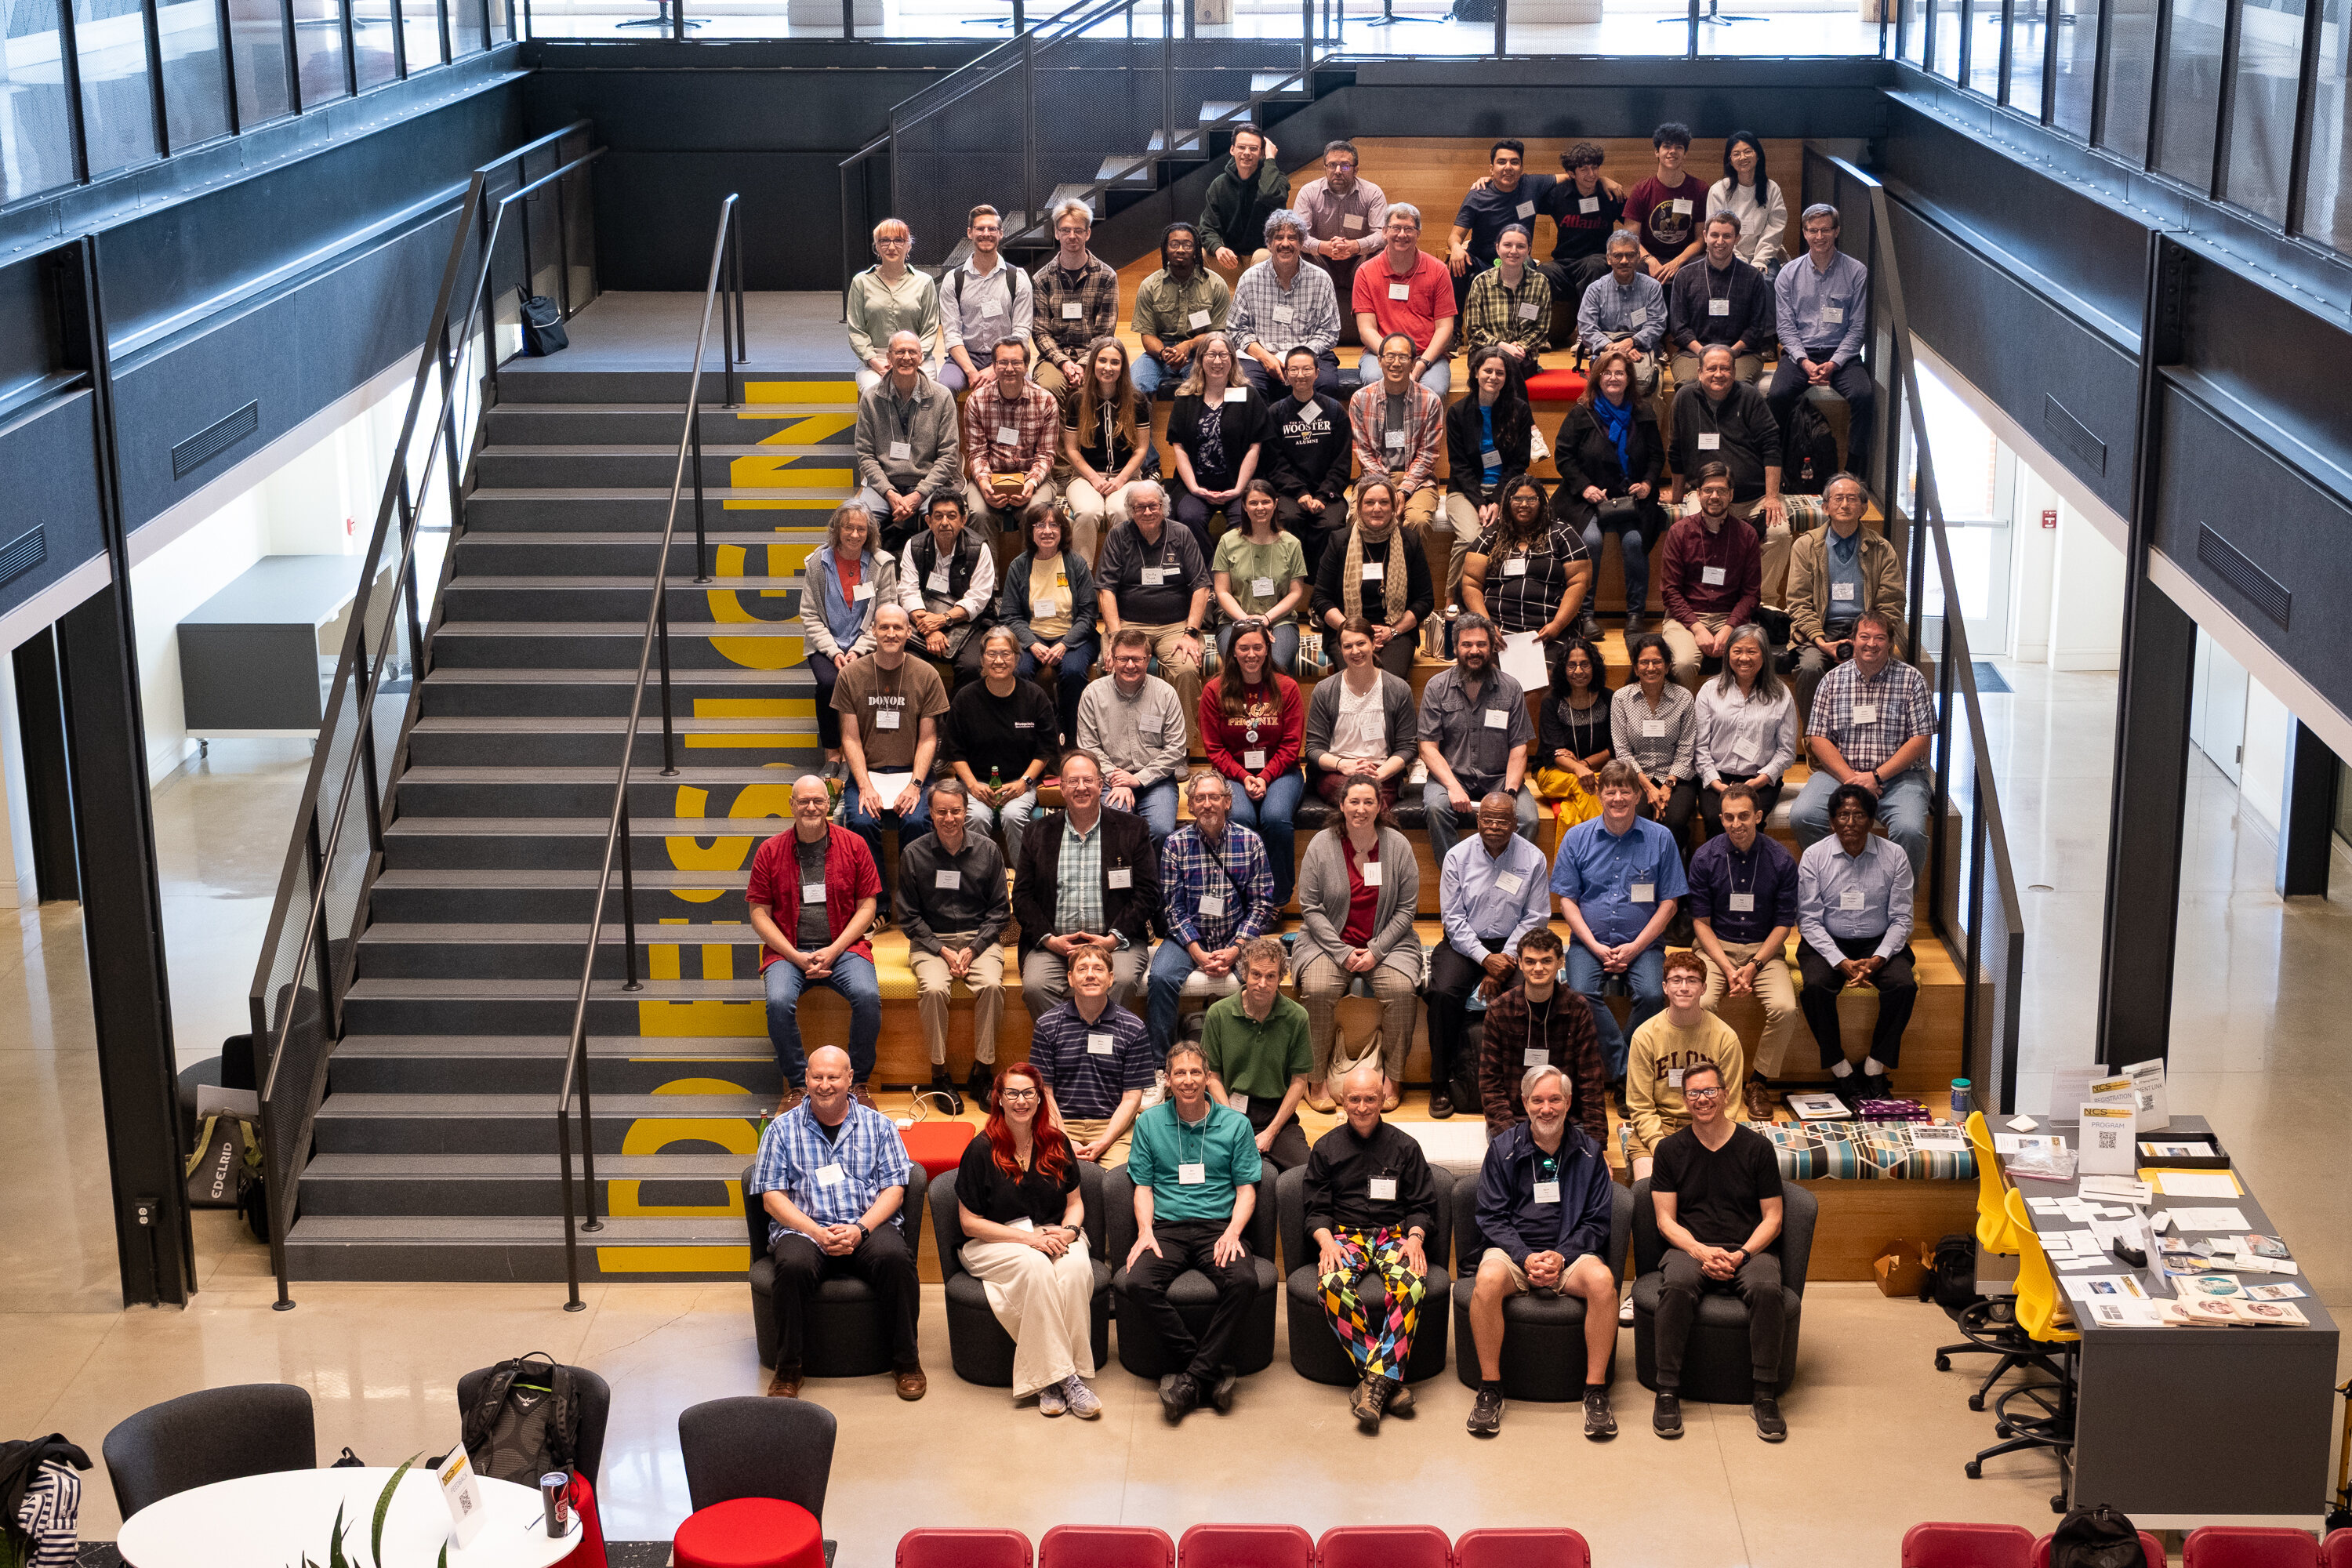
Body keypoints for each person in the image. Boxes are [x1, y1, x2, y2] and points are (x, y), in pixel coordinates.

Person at [747, 1044, 922, 1400]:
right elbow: (771, 1197)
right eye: (816, 1077)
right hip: (805, 1227)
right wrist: (815, 1232)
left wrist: (860, 1229)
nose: (824, 1085)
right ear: (806, 1079)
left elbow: (895, 1190)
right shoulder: (780, 1130)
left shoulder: (879, 1127)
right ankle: (788, 1369)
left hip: (866, 1224)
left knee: (896, 1260)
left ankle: (906, 1362)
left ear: (849, 1079)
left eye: (833, 1077)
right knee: (793, 1266)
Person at [1465, 1062, 1620, 1439]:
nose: (1546, 1108)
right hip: (1514, 1252)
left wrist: (1561, 1255)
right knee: (1485, 1281)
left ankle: (1595, 1392)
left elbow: (1597, 1221)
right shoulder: (1502, 1149)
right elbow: (1491, 1216)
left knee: (1603, 1282)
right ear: (1524, 1103)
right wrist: (1525, 1256)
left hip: (1569, 1254)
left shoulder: (1589, 1154)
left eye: (1554, 1099)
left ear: (1568, 1102)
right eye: (1537, 1100)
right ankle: (1490, 1388)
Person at [1121, 1040, 1265, 1422]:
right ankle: (1206, 1371)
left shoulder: (1236, 1124)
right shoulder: (1149, 1122)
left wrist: (1234, 1232)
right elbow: (1144, 1187)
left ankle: (1190, 1379)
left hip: (1218, 1228)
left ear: (1208, 1077)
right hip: (1166, 1228)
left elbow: (1246, 1189)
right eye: (1179, 1073)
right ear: (1167, 1080)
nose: (1188, 1080)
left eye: (1196, 1072)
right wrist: (1145, 1232)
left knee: (1244, 1281)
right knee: (1136, 1283)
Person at [1648, 1057, 1788, 1443]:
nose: (1703, 1099)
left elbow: (1773, 1218)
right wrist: (1700, 1251)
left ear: (1726, 1095)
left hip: (1748, 1248)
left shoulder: (1757, 1149)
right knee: (1675, 1285)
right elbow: (1665, 1221)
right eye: (1694, 1093)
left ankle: (1764, 1393)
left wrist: (1741, 1255)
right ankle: (1667, 1390)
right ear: (1684, 1099)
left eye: (1710, 1091)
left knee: (1766, 1288)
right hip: (1689, 1247)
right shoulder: (1670, 1150)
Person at [953, 1062, 1102, 1417]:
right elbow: (969, 1223)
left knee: (1077, 1267)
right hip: (994, 1243)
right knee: (1036, 1267)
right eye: (1012, 1093)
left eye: (1029, 1093)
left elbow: (1075, 1204)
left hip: (1053, 1234)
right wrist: (1028, 1240)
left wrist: (1070, 1232)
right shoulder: (980, 1148)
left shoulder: (1057, 1141)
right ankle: (1067, 1380)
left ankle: (1059, 1377)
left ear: (1040, 1099)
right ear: (999, 1099)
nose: (1021, 1101)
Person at [1303, 1062, 1441, 1429]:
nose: (1362, 1107)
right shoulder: (1326, 1147)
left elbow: (1423, 1204)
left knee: (1412, 1284)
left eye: (1370, 1099)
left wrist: (1415, 1237)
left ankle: (1370, 1385)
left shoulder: (1405, 1146)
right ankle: (1385, 1380)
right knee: (1330, 1284)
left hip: (1394, 1235)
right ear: (1342, 1101)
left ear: (1383, 1100)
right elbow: (1314, 1207)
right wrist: (1325, 1241)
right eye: (1354, 1100)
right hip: (1343, 1235)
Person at [746, 779, 883, 1112]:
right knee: (778, 1002)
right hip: (788, 950)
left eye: (818, 802)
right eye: (804, 801)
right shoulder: (769, 851)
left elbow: (868, 906)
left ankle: (858, 1081)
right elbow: (759, 914)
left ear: (829, 805)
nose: (811, 808)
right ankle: (797, 1085)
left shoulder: (855, 845)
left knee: (867, 997)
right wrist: (795, 956)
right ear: (791, 804)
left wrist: (834, 950)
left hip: (844, 949)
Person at [1552, 758, 1688, 1085]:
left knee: (1655, 996)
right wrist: (1596, 946)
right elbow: (1566, 900)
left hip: (1645, 946)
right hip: (1588, 943)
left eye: (1625, 792)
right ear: (1600, 794)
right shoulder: (1576, 838)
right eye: (1610, 791)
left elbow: (1670, 903)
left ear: (1638, 796)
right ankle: (1627, 1071)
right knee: (1581, 993)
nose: (1618, 799)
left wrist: (1635, 947)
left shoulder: (1661, 838)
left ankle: (1622, 1067)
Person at [1294, 776, 1422, 1109]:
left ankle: (1392, 1080)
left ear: (1380, 806)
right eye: (1354, 802)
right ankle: (1317, 1081)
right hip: (1328, 944)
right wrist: (1343, 952)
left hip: (1389, 945)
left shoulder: (1398, 846)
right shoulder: (1321, 845)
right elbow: (1310, 907)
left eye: (1369, 802)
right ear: (1342, 805)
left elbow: (1407, 908)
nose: (1361, 809)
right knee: (1318, 991)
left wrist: (1377, 950)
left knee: (1402, 991)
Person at [1429, 791, 1552, 1119]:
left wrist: (1505, 959)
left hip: (1514, 944)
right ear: (1478, 820)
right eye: (1487, 819)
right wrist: (1485, 959)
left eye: (1502, 820)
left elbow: (1535, 917)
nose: (1494, 826)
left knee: (1523, 994)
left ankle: (1520, 1084)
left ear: (1515, 823)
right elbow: (1453, 920)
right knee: (1442, 993)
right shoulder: (1457, 856)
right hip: (1464, 943)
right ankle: (1441, 1081)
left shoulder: (1533, 858)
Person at [1796, 781, 1918, 1107]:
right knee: (1816, 987)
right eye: (1842, 815)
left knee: (1904, 986)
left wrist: (1878, 958)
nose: (1850, 823)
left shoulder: (1895, 856)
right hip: (1828, 941)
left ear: (1872, 819)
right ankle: (1841, 1070)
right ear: (1832, 821)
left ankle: (1875, 1066)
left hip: (1879, 941)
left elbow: (1903, 919)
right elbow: (1808, 919)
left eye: (1858, 815)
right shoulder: (1814, 856)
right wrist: (1839, 961)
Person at [1013, 750, 1158, 1016]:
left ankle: (1098, 1049)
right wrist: (1049, 940)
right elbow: (1022, 897)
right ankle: (1069, 1047)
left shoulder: (1132, 829)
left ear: (1101, 785)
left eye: (1088, 780)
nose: (1081, 788)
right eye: (1073, 781)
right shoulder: (1038, 832)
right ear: (1062, 788)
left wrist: (1112, 940)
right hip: (1054, 946)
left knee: (1122, 981)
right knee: (1035, 986)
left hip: (1116, 943)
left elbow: (1147, 894)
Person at [1790, 608, 1933, 876]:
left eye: (1879, 638)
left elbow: (1921, 740)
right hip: (1840, 774)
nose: (1871, 644)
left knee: (1910, 831)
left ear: (1890, 643)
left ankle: (1900, 905)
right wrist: (1853, 779)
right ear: (1852, 640)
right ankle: (1836, 881)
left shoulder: (1912, 680)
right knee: (1804, 816)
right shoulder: (1831, 681)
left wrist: (1876, 777)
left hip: (1898, 777)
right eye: (1864, 636)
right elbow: (1817, 738)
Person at [1689, 781, 1800, 1122]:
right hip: (1715, 947)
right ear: (1720, 819)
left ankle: (1758, 1082)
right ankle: (1713, 1081)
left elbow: (1784, 924)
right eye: (1728, 817)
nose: (1736, 824)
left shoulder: (1781, 859)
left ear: (1759, 816)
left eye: (1743, 816)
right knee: (1701, 1002)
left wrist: (1752, 965)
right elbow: (1701, 923)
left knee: (1786, 1006)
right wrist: (1725, 966)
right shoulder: (1705, 857)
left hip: (1763, 951)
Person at [899, 779, 1011, 1110]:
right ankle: (940, 1074)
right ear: (931, 814)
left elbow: (999, 912)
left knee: (992, 985)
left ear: (967, 811)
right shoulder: (913, 853)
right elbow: (908, 916)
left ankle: (983, 1071)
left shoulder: (988, 850)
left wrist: (974, 948)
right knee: (933, 990)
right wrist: (942, 949)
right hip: (932, 941)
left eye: (956, 811)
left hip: (979, 939)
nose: (950, 818)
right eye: (942, 811)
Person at [1147, 771, 1276, 1056]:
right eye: (1200, 798)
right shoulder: (1175, 844)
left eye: (1214, 797)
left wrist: (1235, 948)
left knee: (1262, 979)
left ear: (1228, 802)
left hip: (1238, 936)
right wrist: (1196, 952)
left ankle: (1254, 1057)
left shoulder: (1250, 842)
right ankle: (1160, 1066)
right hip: (1189, 938)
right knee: (1161, 977)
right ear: (1190, 805)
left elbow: (1262, 904)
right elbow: (1171, 906)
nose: (1207, 804)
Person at [833, 602, 947, 921]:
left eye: (898, 627)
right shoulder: (851, 675)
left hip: (914, 773)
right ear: (873, 631)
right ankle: (879, 907)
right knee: (859, 822)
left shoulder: (926, 674)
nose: (891, 633)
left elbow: (928, 739)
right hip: (868, 773)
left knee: (917, 822)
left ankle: (915, 907)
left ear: (909, 632)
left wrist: (915, 785)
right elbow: (850, 738)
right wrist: (866, 786)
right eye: (884, 627)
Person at [1554, 347, 1667, 636]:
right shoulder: (1582, 412)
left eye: (1620, 373)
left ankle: (1635, 614)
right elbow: (1564, 457)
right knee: (1590, 540)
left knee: (1633, 542)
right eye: (1607, 373)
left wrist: (1648, 484)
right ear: (1597, 377)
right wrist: (1585, 487)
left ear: (1629, 378)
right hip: (1589, 498)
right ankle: (1586, 613)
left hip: (1633, 497)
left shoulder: (1643, 413)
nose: (1613, 378)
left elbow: (1656, 456)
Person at [1093, 483, 1211, 750]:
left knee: (1186, 670)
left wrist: (1191, 633)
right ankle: (1119, 747)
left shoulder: (1182, 534)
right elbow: (1106, 590)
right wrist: (1115, 635)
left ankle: (1178, 750)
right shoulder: (1118, 536)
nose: (1147, 512)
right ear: (1130, 510)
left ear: (1164, 506)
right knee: (1117, 667)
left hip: (1176, 625)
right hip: (1129, 625)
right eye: (1139, 507)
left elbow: (1201, 587)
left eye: (1153, 506)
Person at [1199, 619, 1305, 908]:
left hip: (1281, 772)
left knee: (1275, 819)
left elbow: (1291, 746)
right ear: (1232, 651)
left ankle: (1277, 901)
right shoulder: (1214, 690)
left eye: (1258, 647)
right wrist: (1244, 776)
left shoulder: (1288, 687)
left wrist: (1266, 777)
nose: (1251, 654)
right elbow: (1214, 749)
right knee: (1240, 819)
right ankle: (1243, 898)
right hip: (1232, 773)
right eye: (1243, 648)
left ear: (1268, 649)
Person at [1417, 612, 1537, 858]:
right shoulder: (1436, 687)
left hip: (1499, 779)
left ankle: (1504, 878)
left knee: (1528, 819)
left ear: (1493, 646)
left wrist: (1510, 792)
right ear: (1456, 647)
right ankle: (1457, 881)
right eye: (1467, 644)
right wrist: (1452, 787)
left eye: (1481, 644)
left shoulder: (1511, 688)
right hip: (1452, 777)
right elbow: (1427, 748)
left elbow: (1519, 748)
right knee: (1436, 808)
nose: (1474, 650)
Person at [1786, 472, 1904, 724]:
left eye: (1852, 499)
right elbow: (1798, 602)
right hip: (1820, 628)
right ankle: (1815, 740)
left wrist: (1867, 638)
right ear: (1826, 507)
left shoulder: (1882, 549)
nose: (1845, 504)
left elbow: (1892, 603)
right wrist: (1820, 641)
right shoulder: (1805, 547)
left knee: (1878, 664)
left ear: (1863, 508)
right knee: (1809, 668)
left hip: (1866, 629)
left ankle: (1868, 737)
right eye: (1838, 498)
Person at [1768, 203, 1875, 477]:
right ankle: (1776, 467)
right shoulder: (1788, 274)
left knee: (1864, 397)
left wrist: (1834, 363)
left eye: (1825, 230)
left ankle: (1853, 472)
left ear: (1836, 231)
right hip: (1800, 354)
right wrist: (1803, 362)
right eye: (1813, 231)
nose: (1819, 236)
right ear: (1804, 233)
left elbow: (1858, 328)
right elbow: (1786, 328)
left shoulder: (1856, 272)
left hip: (1842, 354)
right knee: (1777, 396)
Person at [1624, 950, 1748, 1181]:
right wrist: (1658, 1145)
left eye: (1692, 981)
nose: (1684, 987)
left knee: (1710, 1187)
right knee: (1649, 1188)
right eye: (1676, 980)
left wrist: (1707, 1141)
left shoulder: (1725, 1037)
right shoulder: (1645, 1036)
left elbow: (1728, 1105)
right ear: (1664, 987)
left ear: (1703, 989)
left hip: (1708, 1127)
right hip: (1658, 1126)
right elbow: (1639, 1105)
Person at [1477, 927, 1606, 1143]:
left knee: (1580, 1172)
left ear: (1560, 963)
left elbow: (1590, 1081)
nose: (1538, 968)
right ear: (1519, 963)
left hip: (1567, 1119)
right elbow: (1490, 1084)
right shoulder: (1499, 1010)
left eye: (1546, 961)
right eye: (1530, 961)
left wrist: (1598, 1146)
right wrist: (1509, 1135)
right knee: (1516, 1168)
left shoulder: (1578, 1009)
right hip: (1515, 1119)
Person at [943, 626, 1058, 870]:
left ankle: (1023, 886)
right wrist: (972, 785)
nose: (999, 661)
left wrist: (1024, 782)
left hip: (1021, 781)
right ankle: (980, 883)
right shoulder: (965, 698)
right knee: (975, 816)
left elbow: (1045, 750)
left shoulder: (1035, 696)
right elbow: (955, 751)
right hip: (977, 782)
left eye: (1006, 654)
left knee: (1014, 815)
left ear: (1017, 658)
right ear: (982, 659)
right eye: (992, 654)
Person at [1029, 943, 1156, 1164]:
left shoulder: (1133, 1028)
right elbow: (1045, 1092)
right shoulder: (1047, 1025)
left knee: (1115, 1183)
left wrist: (1105, 1141)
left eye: (1098, 969)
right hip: (1061, 1123)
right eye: (1082, 969)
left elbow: (1132, 1097)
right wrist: (1065, 1138)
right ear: (1070, 978)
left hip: (1113, 1127)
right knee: (1054, 1178)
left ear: (1110, 978)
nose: (1090, 975)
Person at [799, 503, 899, 775]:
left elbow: (888, 612)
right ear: (837, 530)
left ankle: (858, 752)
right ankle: (833, 754)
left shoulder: (882, 564)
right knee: (829, 683)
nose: (855, 534)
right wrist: (833, 652)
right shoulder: (818, 564)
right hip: (827, 645)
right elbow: (809, 614)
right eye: (848, 527)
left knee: (868, 683)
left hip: (868, 644)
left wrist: (859, 649)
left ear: (870, 532)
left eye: (861, 529)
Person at [1202, 935, 1315, 1172]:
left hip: (1278, 1115)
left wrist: (1271, 1133)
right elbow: (1212, 1076)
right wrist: (1233, 1122)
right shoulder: (1218, 1014)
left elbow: (1299, 1081)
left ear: (1281, 978)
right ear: (1244, 973)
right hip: (1229, 1111)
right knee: (1215, 1173)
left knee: (1306, 1174)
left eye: (1270, 976)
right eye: (1256, 974)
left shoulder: (1297, 1017)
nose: (1262, 983)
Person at [1460, 474, 1594, 667]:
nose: (1524, 504)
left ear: (1542, 502)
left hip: (1549, 627)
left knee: (1547, 677)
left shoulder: (1561, 533)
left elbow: (1579, 582)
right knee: (1489, 673)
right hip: (1498, 627)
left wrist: (1557, 626)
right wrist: (1487, 626)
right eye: (1518, 499)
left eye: (1531, 499)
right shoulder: (1491, 536)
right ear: (1507, 502)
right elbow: (1471, 582)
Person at [1074, 626, 1191, 846]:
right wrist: (1118, 779)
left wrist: (1139, 779)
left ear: (1148, 660)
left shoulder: (1166, 694)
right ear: (1113, 658)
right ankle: (1123, 881)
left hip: (1157, 780)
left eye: (1137, 659)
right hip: (1111, 780)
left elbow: (1176, 749)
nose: (1130, 665)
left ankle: (1153, 881)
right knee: (1116, 828)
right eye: (1123, 658)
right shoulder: (1093, 694)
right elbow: (1089, 747)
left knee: (1160, 830)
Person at [1442, 347, 1538, 613]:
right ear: (1475, 372)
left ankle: (1502, 602)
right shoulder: (1458, 412)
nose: (1493, 377)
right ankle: (1451, 602)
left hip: (1507, 491)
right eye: (1488, 370)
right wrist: (1479, 502)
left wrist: (1497, 500)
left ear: (1507, 377)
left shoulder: (1519, 410)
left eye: (1500, 372)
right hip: (1464, 491)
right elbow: (1459, 466)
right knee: (1471, 537)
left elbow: (1520, 463)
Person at [1312, 477, 1434, 681]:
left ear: (1394, 507)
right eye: (1369, 502)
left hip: (1395, 632)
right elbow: (1321, 598)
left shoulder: (1409, 541)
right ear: (1359, 507)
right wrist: (1353, 631)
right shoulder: (1339, 541)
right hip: (1347, 630)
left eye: (1384, 502)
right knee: (1357, 676)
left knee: (1390, 681)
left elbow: (1426, 600)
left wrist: (1393, 631)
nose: (1377, 508)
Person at [852, 331, 963, 554]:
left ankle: (940, 584)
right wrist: (889, 493)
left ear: (921, 357)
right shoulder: (871, 399)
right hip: (884, 485)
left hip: (929, 484)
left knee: (945, 522)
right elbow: (865, 455)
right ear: (889, 358)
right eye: (899, 352)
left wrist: (918, 494)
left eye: (912, 352)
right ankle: (867, 583)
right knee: (856, 525)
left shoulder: (941, 397)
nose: (906, 357)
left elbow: (949, 455)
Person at [1658, 463, 1762, 692]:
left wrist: (1729, 628)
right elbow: (1670, 591)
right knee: (1682, 664)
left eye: (1722, 491)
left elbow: (1751, 594)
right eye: (1708, 490)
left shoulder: (1747, 535)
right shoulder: (1680, 532)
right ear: (1698, 494)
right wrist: (1697, 629)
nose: (1715, 496)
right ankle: (1687, 724)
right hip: (1686, 617)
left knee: (1749, 661)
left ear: (1731, 495)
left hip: (1731, 616)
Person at [1666, 344, 1787, 539]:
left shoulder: (1749, 396)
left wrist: (1771, 497)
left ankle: (1754, 573)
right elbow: (1675, 452)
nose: (1719, 374)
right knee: (1703, 536)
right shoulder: (1684, 398)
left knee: (1778, 533)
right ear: (1699, 372)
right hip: (1707, 496)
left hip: (1754, 498)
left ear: (1734, 371)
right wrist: (1676, 496)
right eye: (1712, 368)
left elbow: (1771, 446)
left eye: (1725, 368)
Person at [1000, 506, 1098, 746]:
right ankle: (1027, 739)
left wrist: (1065, 644)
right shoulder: (1019, 566)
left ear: (1063, 531)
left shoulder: (1076, 564)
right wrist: (1032, 643)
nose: (1047, 531)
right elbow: (1010, 615)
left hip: (1072, 638)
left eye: (1054, 525)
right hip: (1031, 637)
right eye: (1039, 526)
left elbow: (1088, 615)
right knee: (1019, 672)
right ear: (1030, 531)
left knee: (1073, 673)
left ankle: (1073, 741)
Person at [1165, 334, 1267, 550]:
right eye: (1211, 355)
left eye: (1224, 355)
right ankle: (1205, 577)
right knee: (1188, 518)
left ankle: (1223, 578)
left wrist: (1239, 488)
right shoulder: (1186, 397)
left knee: (1244, 520)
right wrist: (1194, 488)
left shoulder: (1249, 396)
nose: (1218, 361)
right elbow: (1179, 448)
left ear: (1233, 359)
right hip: (1195, 484)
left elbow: (1255, 447)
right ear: (1201, 359)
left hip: (1239, 483)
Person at [1304, 616, 1416, 811]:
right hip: (1337, 773)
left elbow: (1407, 748)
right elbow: (1313, 749)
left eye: (1361, 643)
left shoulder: (1398, 689)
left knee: (1367, 800)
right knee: (1357, 800)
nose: (1355, 651)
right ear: (1340, 650)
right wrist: (1343, 765)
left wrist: (1380, 774)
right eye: (1348, 646)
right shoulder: (1324, 691)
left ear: (1374, 644)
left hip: (1381, 773)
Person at [1230, 209, 1345, 396]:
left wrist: (1298, 358)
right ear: (1269, 243)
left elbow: (1329, 331)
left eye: (1292, 238)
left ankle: (1308, 426)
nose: (1285, 244)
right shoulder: (1249, 279)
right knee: (1248, 390)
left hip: (1308, 352)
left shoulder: (1320, 279)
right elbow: (1236, 329)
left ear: (1301, 243)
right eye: (1279, 238)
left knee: (1326, 385)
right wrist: (1266, 357)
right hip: (1260, 357)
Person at [1695, 622, 1796, 835]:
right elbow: (1700, 747)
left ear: (1764, 655)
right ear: (1728, 654)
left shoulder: (1780, 693)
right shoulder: (1710, 690)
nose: (1744, 658)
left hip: (1762, 778)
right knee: (1716, 820)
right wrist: (1716, 783)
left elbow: (1786, 751)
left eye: (1752, 651)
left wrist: (1760, 780)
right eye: (1737, 651)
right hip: (1718, 776)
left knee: (1751, 823)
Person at [961, 338, 1061, 551]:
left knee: (1037, 514)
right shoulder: (976, 401)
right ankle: (989, 583)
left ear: (1026, 366)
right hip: (990, 476)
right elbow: (977, 454)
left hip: (1034, 479)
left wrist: (1030, 484)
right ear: (994, 366)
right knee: (979, 514)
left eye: (1016, 363)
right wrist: (986, 485)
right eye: (1002, 363)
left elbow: (1045, 455)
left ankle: (1030, 581)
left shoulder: (1046, 401)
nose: (1009, 369)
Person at [1060, 336, 1154, 561]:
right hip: (1085, 477)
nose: (1108, 368)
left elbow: (1142, 448)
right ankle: (1083, 580)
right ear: (1093, 364)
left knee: (1122, 512)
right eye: (1102, 361)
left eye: (1115, 362)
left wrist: (1120, 480)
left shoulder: (1137, 401)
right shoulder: (1077, 400)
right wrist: (1095, 479)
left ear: (1123, 367)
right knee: (1087, 513)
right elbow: (1071, 449)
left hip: (1127, 477)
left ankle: (1121, 577)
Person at [1261, 345, 1352, 571]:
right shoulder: (1276, 412)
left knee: (1331, 525)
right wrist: (1299, 492)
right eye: (1294, 370)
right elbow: (1274, 463)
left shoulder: (1334, 411)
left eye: (1306, 369)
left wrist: (1322, 495)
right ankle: (1293, 583)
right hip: (1290, 492)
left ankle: (1320, 592)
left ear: (1317, 373)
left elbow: (1342, 462)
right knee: (1289, 520)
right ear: (1286, 374)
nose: (1300, 375)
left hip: (1327, 493)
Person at [1350, 204, 1456, 394]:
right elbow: (1366, 329)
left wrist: (1422, 363)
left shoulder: (1439, 270)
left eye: (1409, 229)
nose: (1402, 234)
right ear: (1384, 232)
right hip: (1381, 354)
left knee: (1433, 390)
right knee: (1376, 382)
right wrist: (1393, 358)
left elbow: (1445, 328)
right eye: (1396, 228)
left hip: (1427, 355)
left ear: (1418, 234)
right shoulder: (1365, 272)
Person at [1347, 333, 1446, 537]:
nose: (1396, 364)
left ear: (1413, 363)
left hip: (1418, 480)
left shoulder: (1431, 401)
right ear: (1379, 360)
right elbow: (1363, 452)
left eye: (1403, 357)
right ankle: (1369, 570)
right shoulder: (1360, 399)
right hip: (1375, 476)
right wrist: (1386, 488)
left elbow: (1428, 454)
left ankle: (1410, 570)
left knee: (1418, 521)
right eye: (1390, 357)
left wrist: (1403, 490)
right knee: (1360, 519)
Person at [898, 490, 999, 687]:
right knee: (908, 661)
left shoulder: (979, 548)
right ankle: (922, 717)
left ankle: (956, 716)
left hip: (967, 622)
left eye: (952, 516)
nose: (945, 522)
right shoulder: (915, 545)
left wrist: (943, 619)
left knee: (971, 666)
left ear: (963, 520)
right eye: (938, 516)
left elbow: (978, 598)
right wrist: (930, 629)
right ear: (929, 521)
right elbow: (908, 591)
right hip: (924, 619)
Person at [1295, 140, 1388, 340]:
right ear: (1325, 168)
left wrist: (1356, 246)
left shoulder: (1372, 193)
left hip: (1359, 261)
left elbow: (1382, 233)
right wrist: (1323, 247)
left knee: (1383, 255)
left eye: (1345, 165)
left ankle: (1380, 330)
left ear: (1355, 169)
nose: (1338, 170)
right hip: (1320, 260)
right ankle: (1304, 330)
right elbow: (1299, 235)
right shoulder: (1308, 192)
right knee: (1297, 253)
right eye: (1332, 165)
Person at [1211, 481, 1309, 672]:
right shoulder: (1228, 541)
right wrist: (1248, 622)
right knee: (1239, 665)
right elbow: (1222, 591)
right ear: (1244, 506)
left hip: (1280, 620)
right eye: (1254, 503)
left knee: (1276, 665)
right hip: (1235, 621)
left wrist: (1265, 619)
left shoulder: (1292, 543)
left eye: (1265, 502)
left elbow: (1296, 593)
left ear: (1275, 503)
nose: (1260, 508)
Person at [1668, 213, 1773, 389]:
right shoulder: (1685, 276)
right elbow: (1679, 328)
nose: (1720, 241)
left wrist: (1731, 352)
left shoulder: (1752, 277)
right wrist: (1704, 352)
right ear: (1705, 236)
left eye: (1727, 236)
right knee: (1688, 386)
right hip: (1693, 353)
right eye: (1715, 235)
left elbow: (1756, 328)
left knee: (1735, 386)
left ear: (1737, 239)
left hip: (1741, 354)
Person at [1031, 199, 1120, 403]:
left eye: (1078, 230)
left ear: (1088, 233)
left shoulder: (1107, 276)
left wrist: (1082, 364)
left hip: (1095, 357)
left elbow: (1105, 332)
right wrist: (1064, 363)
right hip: (1054, 358)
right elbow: (1040, 332)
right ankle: (1064, 437)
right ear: (1056, 233)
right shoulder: (1041, 279)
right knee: (1047, 389)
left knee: (1104, 387)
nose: (1072, 236)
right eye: (1066, 230)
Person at [1131, 223, 1232, 401]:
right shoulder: (1149, 285)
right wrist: (1164, 353)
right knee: (1135, 388)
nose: (1180, 250)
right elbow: (1147, 335)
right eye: (1174, 244)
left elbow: (1217, 333)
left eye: (1187, 245)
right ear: (1165, 249)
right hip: (1160, 353)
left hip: (1201, 353)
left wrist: (1189, 345)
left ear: (1195, 250)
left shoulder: (1216, 285)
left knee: (1209, 388)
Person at [1612, 634, 1698, 840]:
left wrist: (1667, 786)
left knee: (1674, 821)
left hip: (1676, 777)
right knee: (1637, 818)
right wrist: (1649, 788)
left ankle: (1674, 868)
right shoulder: (1621, 699)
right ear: (1635, 668)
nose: (1651, 668)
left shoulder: (1684, 698)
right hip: (1635, 777)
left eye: (1657, 662)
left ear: (1667, 667)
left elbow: (1686, 748)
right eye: (1644, 662)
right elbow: (1622, 751)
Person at [1535, 141, 1628, 333]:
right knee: (1543, 270)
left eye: (1595, 168)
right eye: (1584, 169)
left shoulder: (1610, 195)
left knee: (1594, 266)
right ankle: (1539, 331)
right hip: (1564, 263)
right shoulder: (1558, 194)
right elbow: (1525, 194)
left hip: (1596, 260)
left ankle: (1587, 331)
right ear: (1571, 173)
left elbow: (1633, 223)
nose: (1591, 174)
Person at [941, 204, 1034, 394]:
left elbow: (1022, 331)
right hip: (965, 357)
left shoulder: (1018, 278)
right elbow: (951, 334)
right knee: (945, 388)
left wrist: (994, 370)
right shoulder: (953, 280)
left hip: (1008, 355)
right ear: (970, 232)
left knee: (1027, 389)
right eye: (980, 228)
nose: (986, 233)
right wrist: (972, 372)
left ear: (1001, 233)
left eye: (992, 229)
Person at [1447, 140, 1546, 311]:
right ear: (1491, 169)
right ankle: (1455, 329)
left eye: (1514, 162)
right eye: (1501, 162)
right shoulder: (1478, 195)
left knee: (1529, 264)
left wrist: (1604, 180)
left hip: (1516, 259)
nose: (1508, 167)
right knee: (1456, 264)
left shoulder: (1532, 185)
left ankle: (1525, 327)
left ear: (1521, 168)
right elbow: (1455, 235)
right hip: (1481, 262)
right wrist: (1456, 248)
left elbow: (1571, 176)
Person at [845, 218, 943, 391]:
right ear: (877, 246)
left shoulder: (924, 282)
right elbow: (856, 330)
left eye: (898, 240)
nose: (891, 247)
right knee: (875, 393)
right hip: (877, 359)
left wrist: (911, 360)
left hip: (916, 357)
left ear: (908, 246)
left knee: (924, 391)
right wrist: (874, 361)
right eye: (885, 241)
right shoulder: (861, 282)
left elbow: (930, 329)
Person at [1534, 635, 1613, 829]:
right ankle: (1606, 845)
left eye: (1585, 664)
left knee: (1570, 814)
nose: (1578, 671)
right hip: (1553, 773)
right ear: (1563, 669)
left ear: (1594, 667)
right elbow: (1554, 752)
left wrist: (1584, 764)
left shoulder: (1608, 698)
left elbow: (1614, 747)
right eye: (1572, 665)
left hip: (1595, 771)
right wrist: (1578, 770)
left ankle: (1570, 860)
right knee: (1585, 785)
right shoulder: (1552, 701)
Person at [1577, 232, 1668, 399]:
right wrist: (1615, 349)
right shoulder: (1595, 289)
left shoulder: (1652, 287)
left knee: (1651, 391)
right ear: (1609, 258)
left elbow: (1657, 323)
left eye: (1630, 255)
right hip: (1606, 352)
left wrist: (1632, 342)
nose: (1624, 261)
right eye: (1618, 255)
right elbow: (1586, 328)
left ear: (1639, 257)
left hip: (1642, 352)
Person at [1461, 222, 1552, 370]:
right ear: (1497, 248)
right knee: (1497, 372)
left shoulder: (1540, 283)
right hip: (1485, 355)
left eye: (1521, 246)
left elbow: (1541, 329)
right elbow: (1474, 330)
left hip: (1522, 355)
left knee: (1513, 375)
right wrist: (1502, 347)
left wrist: (1520, 347)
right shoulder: (1481, 282)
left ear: (1529, 249)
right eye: (1507, 245)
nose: (1513, 251)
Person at [1199, 126, 1287, 277]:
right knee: (1198, 255)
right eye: (1241, 147)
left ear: (1261, 153)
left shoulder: (1277, 181)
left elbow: (1268, 194)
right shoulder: (1219, 185)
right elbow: (1207, 228)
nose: (1247, 153)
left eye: (1253, 149)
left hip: (1265, 259)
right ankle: (1214, 299)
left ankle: (1258, 299)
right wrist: (1218, 248)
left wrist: (1270, 159)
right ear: (1232, 150)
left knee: (1262, 256)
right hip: (1233, 261)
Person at [1624, 122, 1705, 281]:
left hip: (1685, 260)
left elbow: (1701, 239)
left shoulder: (1700, 189)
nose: (1672, 152)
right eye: (1667, 146)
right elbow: (1630, 237)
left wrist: (1677, 262)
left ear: (1685, 154)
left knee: (1703, 264)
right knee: (1631, 265)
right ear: (1657, 152)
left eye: (1679, 147)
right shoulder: (1641, 189)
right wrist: (1649, 260)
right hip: (1649, 259)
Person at [1709, 131, 1788, 278]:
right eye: (1736, 154)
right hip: (1726, 256)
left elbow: (1775, 229)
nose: (1743, 158)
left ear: (1758, 155)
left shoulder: (1772, 189)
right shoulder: (1718, 190)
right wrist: (1741, 262)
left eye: (1747, 152)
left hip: (1763, 258)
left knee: (1765, 281)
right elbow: (1717, 231)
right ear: (1730, 160)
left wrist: (1759, 260)